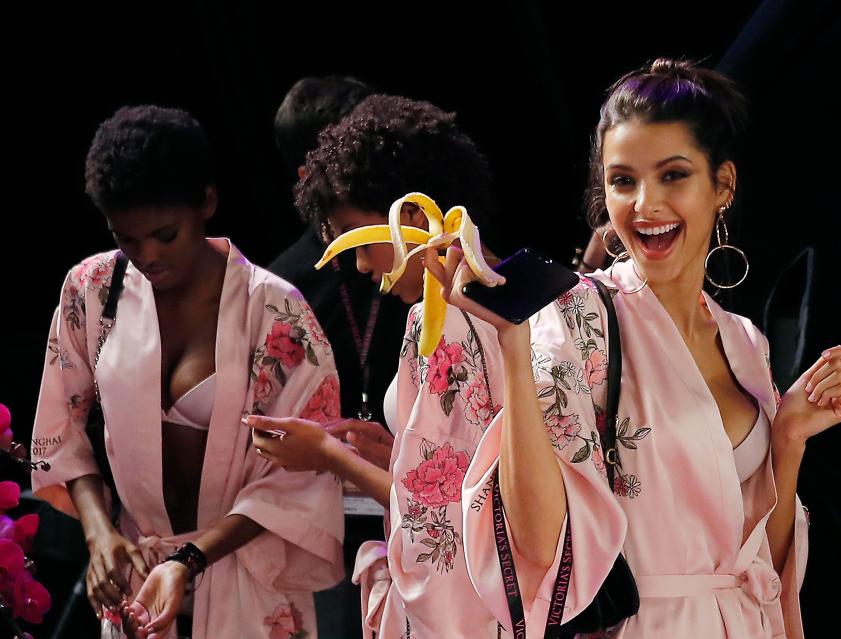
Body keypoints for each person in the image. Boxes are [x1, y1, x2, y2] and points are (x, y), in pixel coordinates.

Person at [432, 59, 841, 638]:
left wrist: (786, 440)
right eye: (623, 181)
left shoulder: (744, 342)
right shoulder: (579, 320)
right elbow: (536, 545)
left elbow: (764, 564)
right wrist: (514, 341)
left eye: (673, 175)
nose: (645, 204)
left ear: (723, 185)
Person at [31, 105, 344, 638]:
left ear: (207, 202)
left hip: (247, 579)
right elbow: (60, 429)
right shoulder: (92, 289)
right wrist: (98, 533)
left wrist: (190, 559)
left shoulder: (274, 312)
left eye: (165, 234)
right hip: (137, 576)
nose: (147, 256)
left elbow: (302, 473)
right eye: (126, 239)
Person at [248, 93, 509, 638]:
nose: (361, 263)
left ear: (411, 214)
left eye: (355, 235)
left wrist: (324, 454)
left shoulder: (447, 319)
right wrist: (401, 459)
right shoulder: (510, 296)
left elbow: (447, 522)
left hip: (469, 610)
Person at [268, 75, 410, 638]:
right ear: (308, 174)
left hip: (422, 519)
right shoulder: (279, 288)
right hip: (321, 528)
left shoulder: (428, 270)